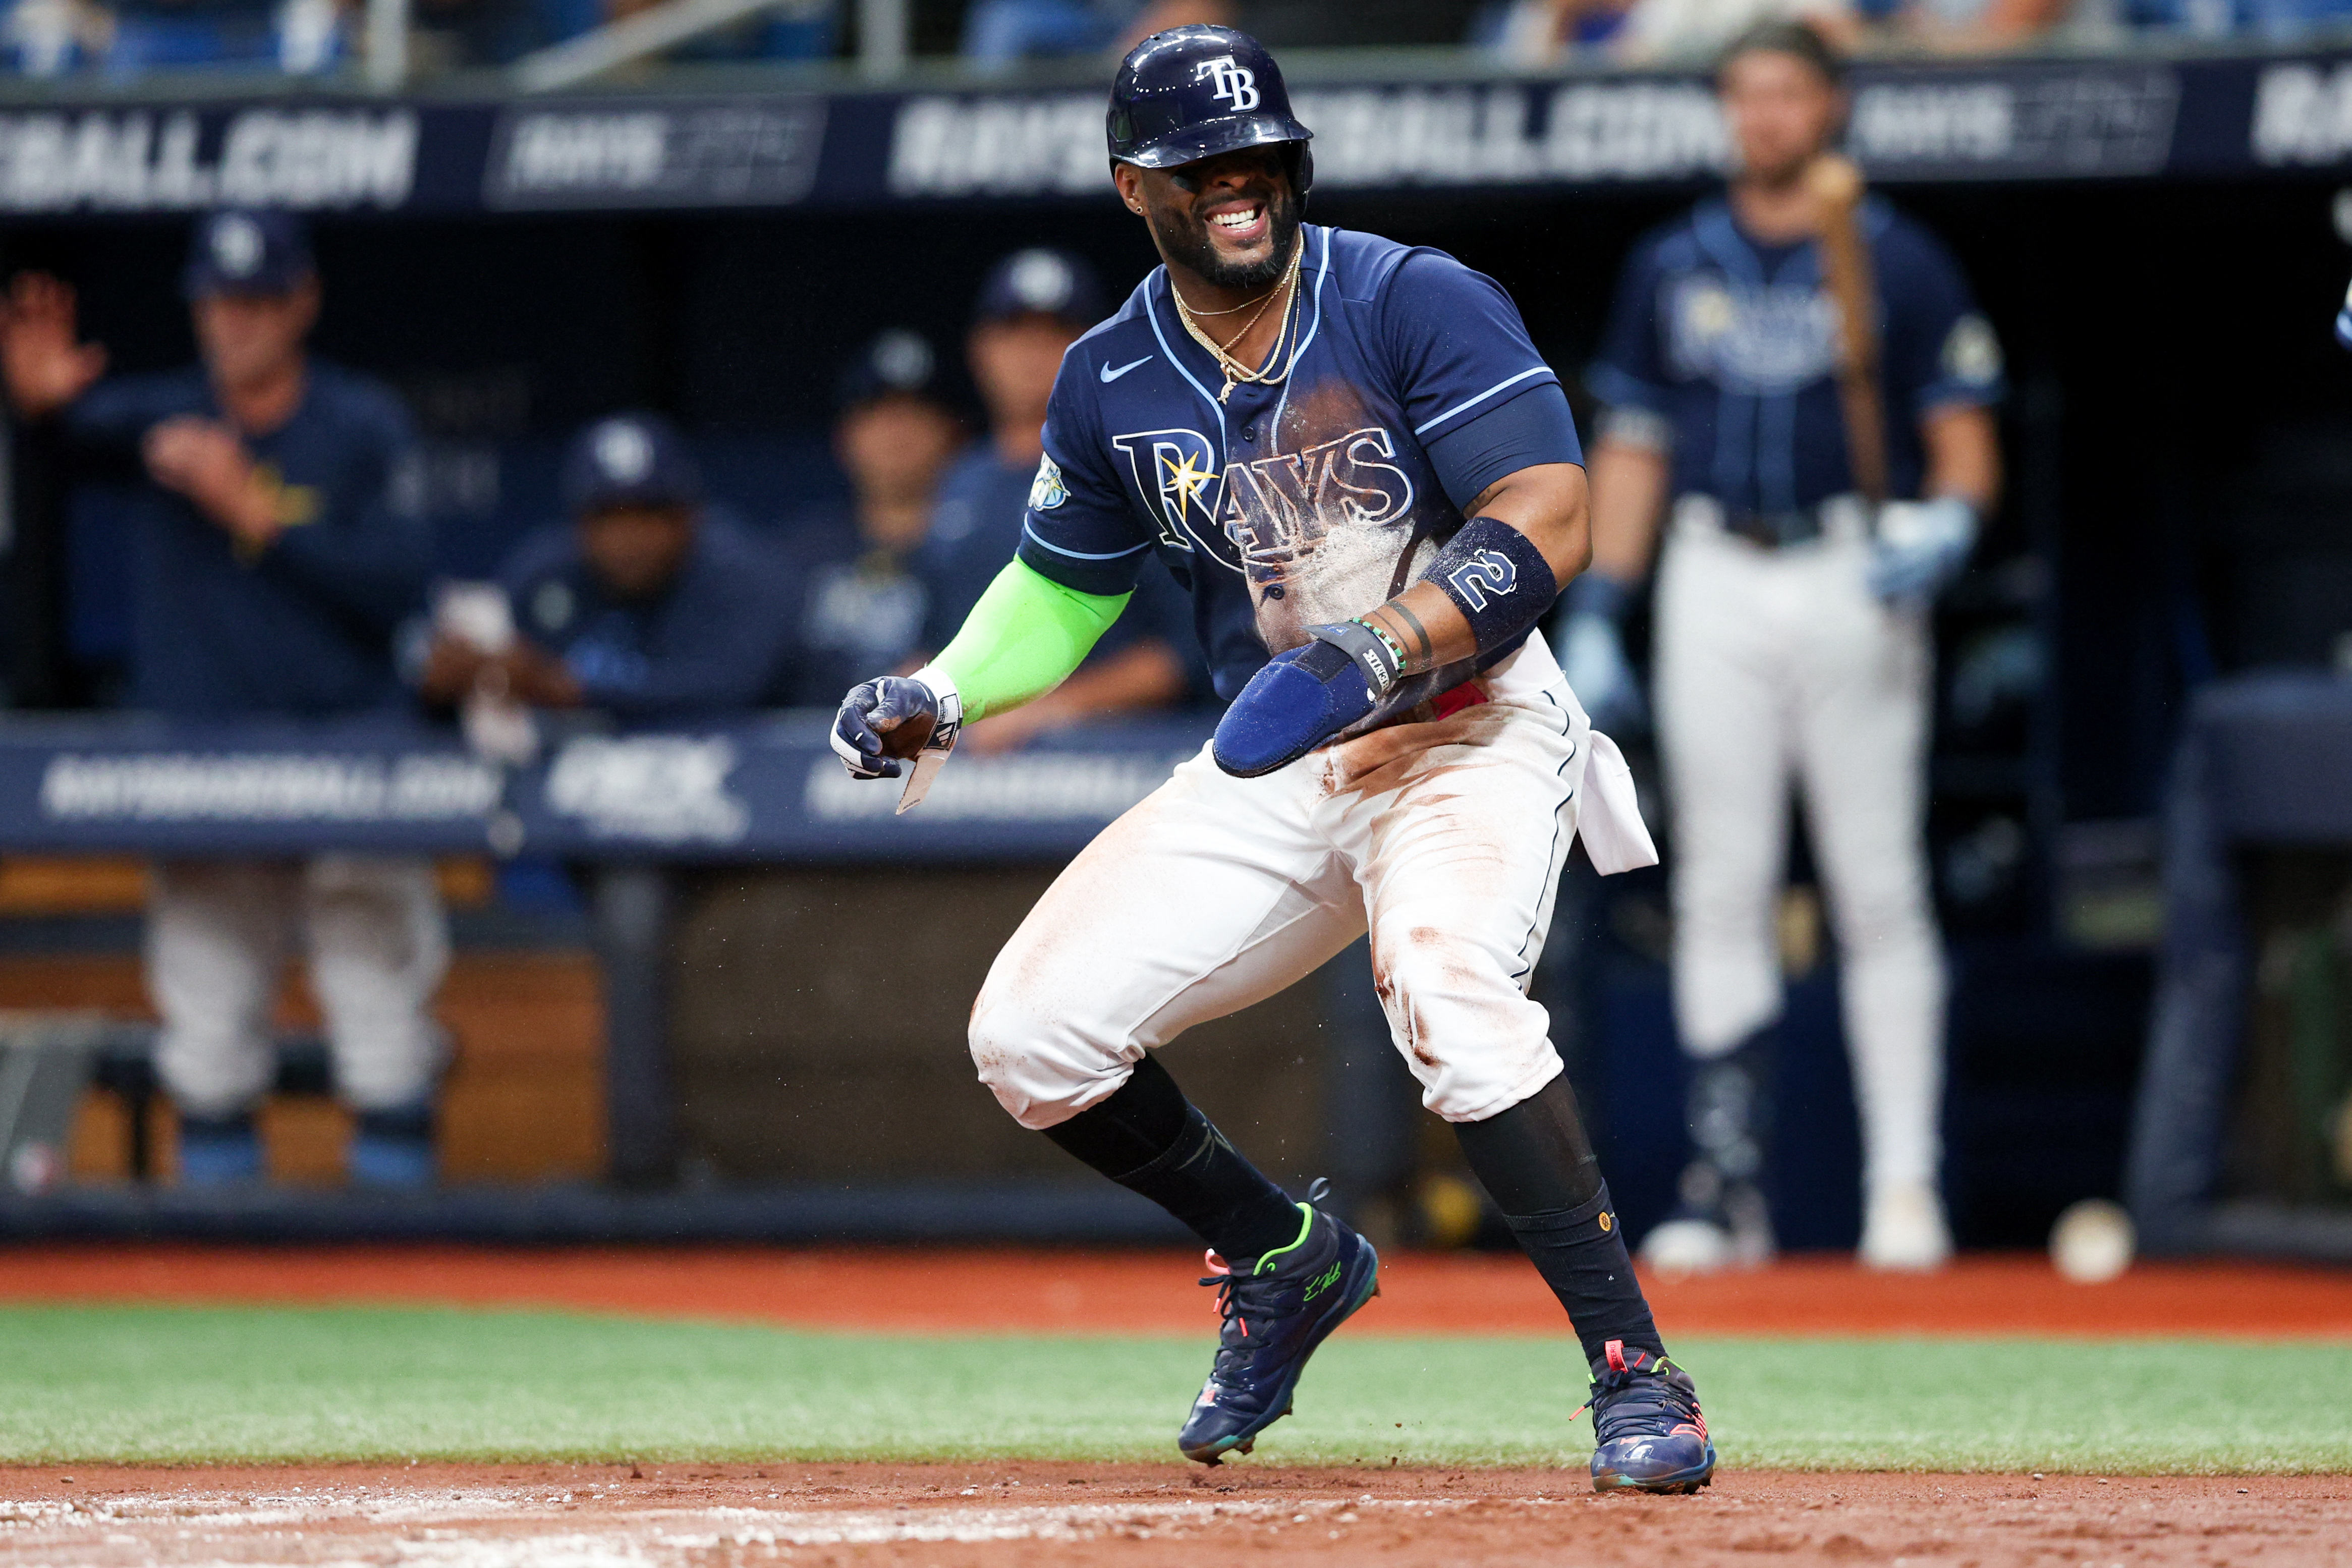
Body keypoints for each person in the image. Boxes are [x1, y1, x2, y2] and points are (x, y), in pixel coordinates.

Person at [833, 26, 1712, 1493]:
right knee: (1030, 1038)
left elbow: (1551, 511)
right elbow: (1064, 585)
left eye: (1259, 160)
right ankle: (1285, 1255)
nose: (1238, 188)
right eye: (1201, 170)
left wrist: (1394, 642)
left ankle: (1636, 1368)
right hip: (1284, 763)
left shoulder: (1407, 295)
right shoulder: (1113, 371)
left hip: (1464, 726)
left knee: (1447, 987)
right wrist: (943, 689)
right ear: (1137, 188)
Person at [1560, 20, 2004, 1272]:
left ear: (1832, 105)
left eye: (1788, 95)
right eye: (1746, 96)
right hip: (1714, 565)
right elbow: (1637, 445)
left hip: (1850, 565)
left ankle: (1905, 1189)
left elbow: (1965, 436)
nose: (1766, 118)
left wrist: (1953, 524)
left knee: (1876, 886)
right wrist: (1603, 606)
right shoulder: (1672, 259)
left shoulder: (1895, 256)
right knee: (1722, 881)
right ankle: (1728, 1185)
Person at [0, 210, 442, 1187]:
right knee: (205, 1038)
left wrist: (259, 517)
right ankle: (214, 1286)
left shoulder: (360, 425)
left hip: (348, 756)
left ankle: (398, 1287)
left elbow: (403, 585)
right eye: (217, 303)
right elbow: (64, 438)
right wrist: (37, 411)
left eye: (255, 302)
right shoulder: (166, 420)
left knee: (381, 1027)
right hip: (203, 764)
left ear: (301, 304)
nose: (233, 324)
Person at [925, 248, 1198, 751]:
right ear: (980, 348)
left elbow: (1183, 653)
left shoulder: (1137, 466)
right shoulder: (961, 479)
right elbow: (934, 631)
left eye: (1054, 333)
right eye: (1015, 332)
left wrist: (1051, 710)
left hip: (1112, 758)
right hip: (969, 768)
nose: (1032, 353)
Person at [421, 411, 801, 721]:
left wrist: (573, 691)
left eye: (647, 514)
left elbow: (729, 689)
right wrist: (443, 689)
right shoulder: (545, 571)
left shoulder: (746, 574)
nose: (628, 539)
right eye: (608, 517)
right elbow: (477, 670)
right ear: (579, 524)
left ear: (690, 517)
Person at [777, 330, 970, 707]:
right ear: (844, 437)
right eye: (878, 415)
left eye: (918, 415)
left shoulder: (985, 547)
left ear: (954, 435)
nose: (898, 433)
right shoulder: (798, 552)